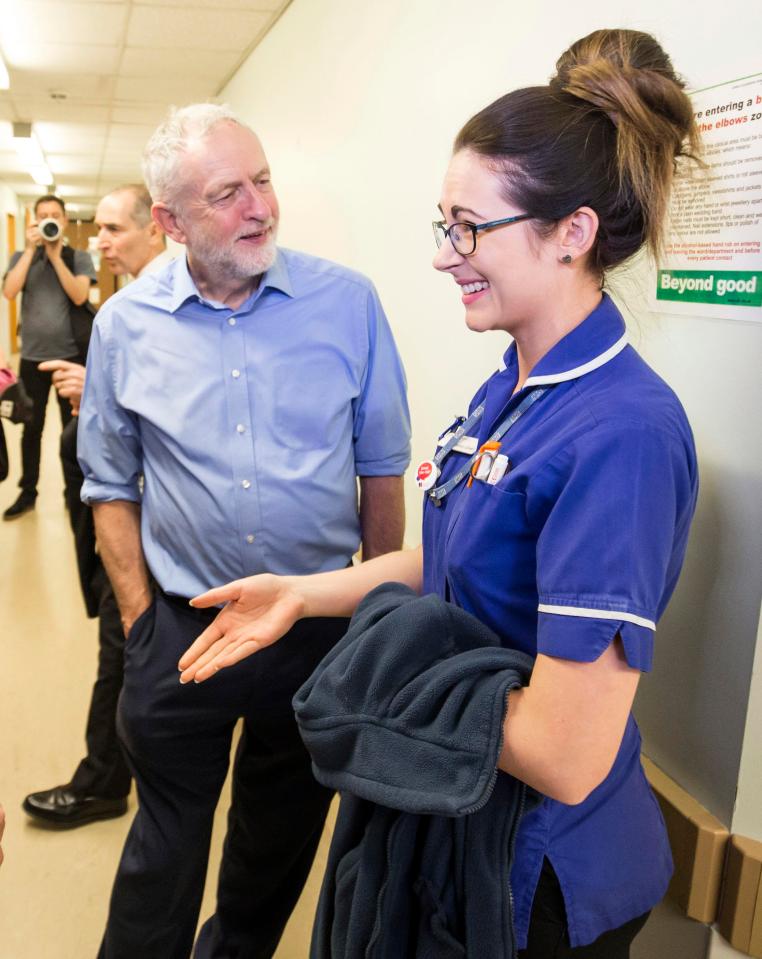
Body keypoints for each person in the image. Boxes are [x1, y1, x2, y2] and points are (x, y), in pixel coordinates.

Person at [179, 29, 701, 959]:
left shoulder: (622, 434)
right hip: (456, 821)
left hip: (535, 874)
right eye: (443, 223)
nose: (443, 254)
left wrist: (379, 677)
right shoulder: (513, 383)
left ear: (573, 233)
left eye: (470, 227)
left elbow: (564, 752)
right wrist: (305, 593)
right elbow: (457, 554)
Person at [76, 104, 411, 958]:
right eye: (228, 193)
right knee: (166, 846)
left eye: (262, 180)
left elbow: (381, 469)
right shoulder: (125, 326)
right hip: (183, 630)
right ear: (169, 221)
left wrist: (375, 625)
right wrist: (140, 621)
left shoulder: (348, 304)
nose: (260, 207)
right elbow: (110, 486)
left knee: (277, 838)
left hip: (313, 625)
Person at [22, 185, 172, 828]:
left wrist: (97, 390)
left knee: (122, 647)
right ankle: (113, 772)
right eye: (98, 230)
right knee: (121, 645)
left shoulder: (158, 303)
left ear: (157, 229)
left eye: (112, 230)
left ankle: (102, 781)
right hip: (126, 505)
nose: (99, 242)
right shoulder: (134, 299)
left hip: (146, 516)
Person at [1, 194, 96, 519]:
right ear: (35, 222)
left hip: (70, 358)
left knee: (75, 429)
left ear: (64, 220)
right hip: (31, 359)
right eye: (43, 216)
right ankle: (28, 492)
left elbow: (80, 295)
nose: (50, 220)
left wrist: (56, 257)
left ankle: (82, 491)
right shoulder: (21, 257)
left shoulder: (78, 257)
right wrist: (30, 251)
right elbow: (9, 291)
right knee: (32, 429)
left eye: (55, 215)